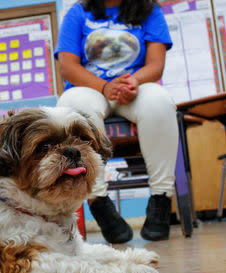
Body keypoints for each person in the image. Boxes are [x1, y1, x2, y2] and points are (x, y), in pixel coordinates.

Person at [55, 0, 178, 242]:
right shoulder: (77, 12)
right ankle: (98, 200)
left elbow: (156, 65)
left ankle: (162, 198)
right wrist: (104, 86)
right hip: (90, 87)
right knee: (73, 108)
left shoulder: (150, 10)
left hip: (136, 86)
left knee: (160, 102)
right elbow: (68, 67)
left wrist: (134, 81)